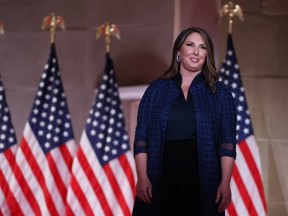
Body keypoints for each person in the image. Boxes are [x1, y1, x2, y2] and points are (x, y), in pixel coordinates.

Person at [132, 27, 237, 216]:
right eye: (190, 45)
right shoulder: (156, 89)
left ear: (207, 55)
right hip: (160, 178)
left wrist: (225, 182)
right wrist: (142, 177)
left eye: (202, 47)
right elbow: (141, 138)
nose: (196, 51)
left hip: (204, 180)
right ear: (179, 52)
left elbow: (227, 143)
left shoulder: (220, 94)